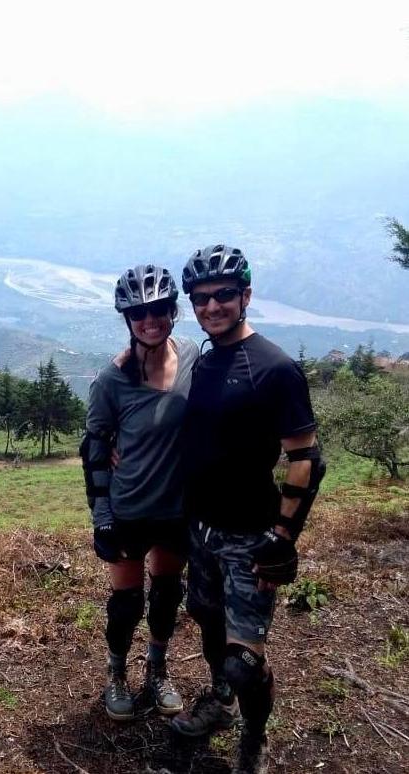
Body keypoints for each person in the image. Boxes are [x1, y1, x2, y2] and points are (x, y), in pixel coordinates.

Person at [170, 245, 325, 774]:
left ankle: (253, 739)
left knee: (243, 660)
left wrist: (284, 536)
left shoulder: (275, 368)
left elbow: (306, 458)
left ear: (246, 296)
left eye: (223, 296)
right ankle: (219, 703)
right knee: (206, 620)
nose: (211, 307)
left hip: (249, 537)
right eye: (201, 299)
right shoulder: (206, 361)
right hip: (201, 529)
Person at [80, 264, 198, 721]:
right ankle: (116, 675)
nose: (150, 320)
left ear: (173, 311)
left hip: (177, 507)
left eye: (159, 310)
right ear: (127, 319)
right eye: (139, 313)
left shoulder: (192, 356)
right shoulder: (113, 380)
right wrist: (102, 515)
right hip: (130, 508)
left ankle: (157, 667)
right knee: (126, 602)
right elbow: (93, 448)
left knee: (168, 592)